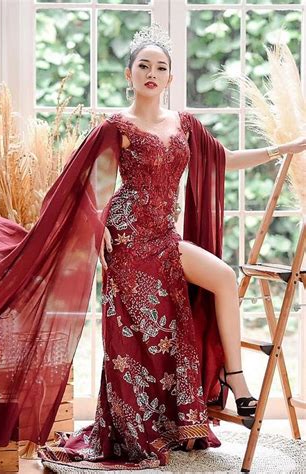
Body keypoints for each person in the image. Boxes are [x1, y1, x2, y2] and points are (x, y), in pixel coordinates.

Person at [36, 23, 306, 471]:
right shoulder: (116, 126)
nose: (152, 73)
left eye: (160, 68)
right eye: (143, 66)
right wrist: (97, 225)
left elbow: (223, 161)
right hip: (127, 240)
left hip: (164, 238)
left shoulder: (185, 124)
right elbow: (82, 184)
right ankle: (137, 427)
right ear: (129, 74)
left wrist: (285, 149)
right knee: (140, 339)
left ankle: (237, 381)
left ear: (170, 78)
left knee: (222, 277)